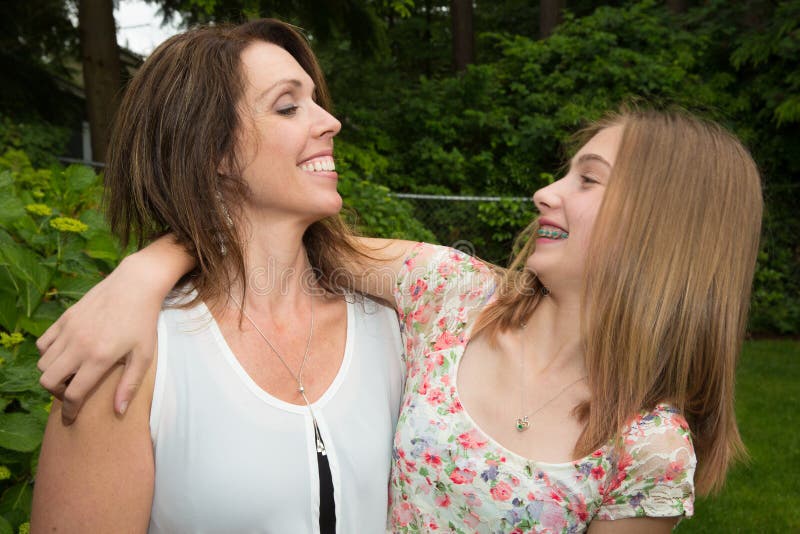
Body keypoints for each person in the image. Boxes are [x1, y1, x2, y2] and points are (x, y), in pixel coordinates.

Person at [35, 104, 762, 529]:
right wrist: (145, 271)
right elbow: (286, 236)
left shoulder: (649, 449)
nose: (546, 192)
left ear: (662, 227)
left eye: (587, 180)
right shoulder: (452, 296)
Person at [30, 19, 407, 533]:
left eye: (316, 101)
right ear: (214, 151)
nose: (331, 122)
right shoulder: (126, 358)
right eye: (288, 106)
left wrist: (147, 265)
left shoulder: (392, 324)